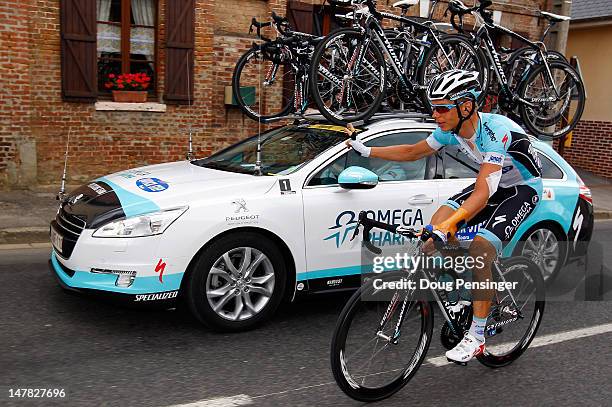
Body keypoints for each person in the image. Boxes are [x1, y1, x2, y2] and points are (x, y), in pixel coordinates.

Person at [344, 69, 543, 364]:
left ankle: (476, 336)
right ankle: (463, 296)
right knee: (430, 239)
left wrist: (451, 224)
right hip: (492, 185)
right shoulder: (448, 132)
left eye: (441, 108)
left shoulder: (495, 130)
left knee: (480, 248)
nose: (435, 114)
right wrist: (367, 149)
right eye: (432, 107)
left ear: (465, 106)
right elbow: (414, 151)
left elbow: (485, 189)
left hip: (521, 190)